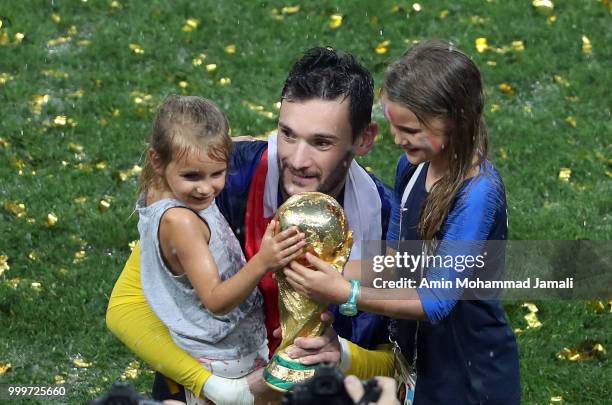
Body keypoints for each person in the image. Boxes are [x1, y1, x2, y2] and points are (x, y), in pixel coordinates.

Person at [106, 47, 395, 404]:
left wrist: (345, 356)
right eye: (288, 134)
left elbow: (405, 367)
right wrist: (223, 390)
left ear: (364, 139)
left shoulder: (387, 215)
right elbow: (126, 306)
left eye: (321, 142)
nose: (297, 160)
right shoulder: (222, 183)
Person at [284, 40, 521, 404]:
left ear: (454, 120)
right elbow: (396, 262)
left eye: (409, 130)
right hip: (421, 361)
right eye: (395, 126)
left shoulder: (478, 193)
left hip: (472, 371)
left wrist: (347, 294)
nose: (397, 139)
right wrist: (331, 268)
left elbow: (437, 301)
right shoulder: (411, 169)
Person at [134, 95, 307, 404]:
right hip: (225, 360)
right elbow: (215, 300)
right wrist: (263, 261)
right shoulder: (181, 222)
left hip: (211, 349)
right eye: (192, 176)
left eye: (217, 173)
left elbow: (204, 156)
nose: (206, 187)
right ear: (157, 159)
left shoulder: (159, 185)